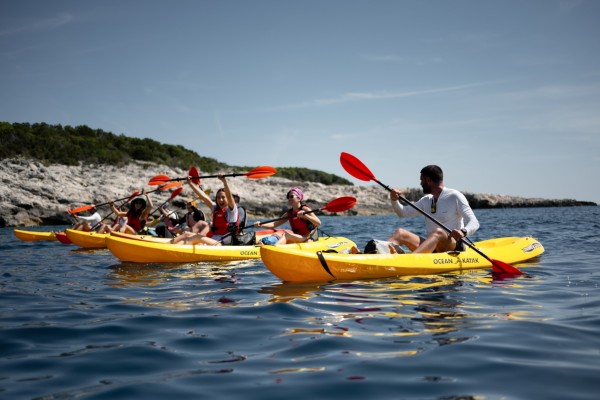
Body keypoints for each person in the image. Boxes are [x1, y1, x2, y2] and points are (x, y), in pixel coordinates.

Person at [387, 165, 479, 254]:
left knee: (438, 232)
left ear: (428, 180)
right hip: (434, 247)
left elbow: (474, 222)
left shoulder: (454, 196)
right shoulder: (427, 200)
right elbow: (403, 213)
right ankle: (378, 257)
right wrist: (394, 200)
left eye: (421, 180)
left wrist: (463, 232)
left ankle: (409, 261)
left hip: (454, 246)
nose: (420, 184)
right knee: (400, 233)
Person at [171, 175, 238, 245]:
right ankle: (168, 245)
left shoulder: (232, 210)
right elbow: (203, 196)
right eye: (218, 197)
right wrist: (190, 183)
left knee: (197, 237)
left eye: (223, 197)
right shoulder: (215, 208)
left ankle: (174, 249)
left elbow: (229, 196)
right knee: (186, 234)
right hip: (213, 239)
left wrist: (224, 182)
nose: (220, 200)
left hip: (222, 243)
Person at [253, 187, 320, 245]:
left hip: (307, 238)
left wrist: (306, 216)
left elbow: (318, 223)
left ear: (299, 198)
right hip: (297, 236)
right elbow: (274, 224)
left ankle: (275, 249)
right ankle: (264, 244)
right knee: (278, 234)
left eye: (291, 196)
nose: (289, 199)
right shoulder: (289, 213)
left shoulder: (305, 209)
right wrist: (261, 225)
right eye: (288, 197)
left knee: (286, 235)